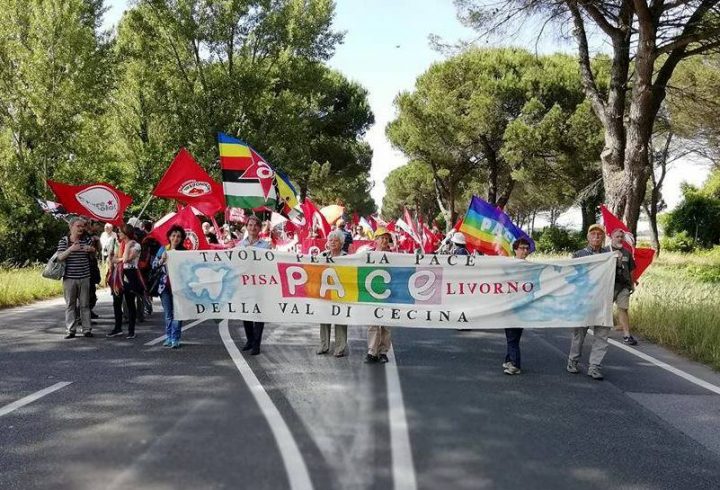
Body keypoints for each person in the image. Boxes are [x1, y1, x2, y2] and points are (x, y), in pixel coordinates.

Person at [567, 224, 612, 380]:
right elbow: (571, 276)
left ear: (603, 237)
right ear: (588, 237)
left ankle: (594, 367)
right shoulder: (578, 255)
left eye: (599, 234)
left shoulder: (610, 255)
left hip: (603, 301)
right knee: (579, 334)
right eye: (593, 234)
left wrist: (618, 260)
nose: (596, 237)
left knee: (602, 335)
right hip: (583, 300)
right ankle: (573, 361)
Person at [56, 217, 95, 339]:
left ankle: (87, 329)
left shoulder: (86, 239)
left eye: (82, 226)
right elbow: (59, 257)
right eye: (78, 226)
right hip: (69, 278)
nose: (81, 228)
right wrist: (71, 249)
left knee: (85, 305)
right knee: (70, 305)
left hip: (85, 277)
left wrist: (91, 249)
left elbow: (94, 254)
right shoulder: (64, 241)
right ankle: (70, 330)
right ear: (71, 227)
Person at [238, 215, 271, 355]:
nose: (253, 228)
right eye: (250, 225)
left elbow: (269, 264)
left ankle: (256, 343)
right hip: (244, 285)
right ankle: (250, 340)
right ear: (247, 227)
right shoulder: (240, 245)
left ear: (259, 228)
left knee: (258, 313)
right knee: (246, 312)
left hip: (259, 285)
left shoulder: (265, 246)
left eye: (256, 225)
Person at [106, 224, 144, 340]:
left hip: (130, 274)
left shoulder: (136, 245)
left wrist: (127, 247)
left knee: (130, 302)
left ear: (126, 233)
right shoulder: (119, 244)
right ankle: (117, 328)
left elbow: (127, 259)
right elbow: (114, 259)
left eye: (120, 232)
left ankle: (131, 330)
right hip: (118, 274)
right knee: (116, 302)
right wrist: (119, 259)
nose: (118, 234)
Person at [503, 238, 532, 375]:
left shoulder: (531, 267)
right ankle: (509, 359)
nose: (525, 251)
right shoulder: (509, 265)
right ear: (515, 249)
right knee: (511, 335)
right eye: (522, 248)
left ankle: (515, 364)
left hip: (521, 306)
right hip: (509, 304)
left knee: (513, 335)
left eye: (527, 248)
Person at [154, 225, 186, 348]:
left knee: (178, 313)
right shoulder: (163, 249)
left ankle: (175, 338)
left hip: (179, 287)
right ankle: (168, 337)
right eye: (173, 235)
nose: (175, 238)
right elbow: (154, 265)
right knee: (168, 314)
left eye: (178, 236)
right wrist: (161, 260)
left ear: (181, 238)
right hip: (165, 286)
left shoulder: (184, 252)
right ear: (169, 237)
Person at [318, 229, 349, 357]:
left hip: (341, 294)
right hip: (325, 293)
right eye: (330, 240)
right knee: (324, 319)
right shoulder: (322, 256)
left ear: (341, 243)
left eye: (336, 240)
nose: (332, 242)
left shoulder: (347, 258)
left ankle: (340, 348)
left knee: (340, 319)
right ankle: (323, 346)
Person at [365, 227, 393, 363]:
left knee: (386, 324)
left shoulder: (394, 256)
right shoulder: (368, 255)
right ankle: (372, 351)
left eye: (387, 238)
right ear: (375, 240)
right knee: (372, 323)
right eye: (382, 238)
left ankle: (383, 352)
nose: (385, 241)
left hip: (388, 294)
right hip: (372, 293)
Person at [610, 228, 638, 345]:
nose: (620, 239)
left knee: (623, 308)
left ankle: (627, 335)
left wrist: (632, 283)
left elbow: (631, 270)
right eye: (617, 236)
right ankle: (603, 330)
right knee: (606, 308)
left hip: (624, 285)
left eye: (621, 237)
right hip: (609, 286)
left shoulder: (627, 252)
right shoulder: (605, 251)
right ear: (612, 237)